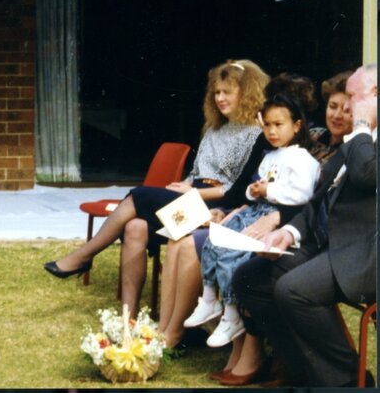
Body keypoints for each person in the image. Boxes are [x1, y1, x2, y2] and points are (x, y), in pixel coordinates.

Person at [43, 59, 269, 318]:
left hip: (214, 207)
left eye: (227, 92)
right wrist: (185, 183)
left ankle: (85, 255)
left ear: (246, 92)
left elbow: (236, 190)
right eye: (216, 92)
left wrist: (193, 193)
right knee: (134, 227)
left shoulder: (255, 134)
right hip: (191, 198)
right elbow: (197, 172)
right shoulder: (215, 130)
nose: (220, 98)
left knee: (139, 195)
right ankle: (130, 318)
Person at [233, 63, 377, 387]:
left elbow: (369, 175)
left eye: (354, 97)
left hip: (364, 252)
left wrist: (364, 127)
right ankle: (307, 373)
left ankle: (350, 383)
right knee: (249, 278)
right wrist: (288, 231)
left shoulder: (363, 137)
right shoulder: (356, 139)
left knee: (293, 290)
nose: (348, 106)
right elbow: (318, 200)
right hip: (330, 245)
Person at [184, 91, 320, 348]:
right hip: (255, 209)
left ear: (297, 125)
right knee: (214, 241)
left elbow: (302, 194)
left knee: (232, 254)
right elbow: (254, 186)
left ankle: (233, 313)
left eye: (279, 125)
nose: (272, 131)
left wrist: (268, 191)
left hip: (273, 216)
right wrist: (254, 190)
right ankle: (210, 298)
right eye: (267, 125)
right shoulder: (270, 156)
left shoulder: (303, 159)